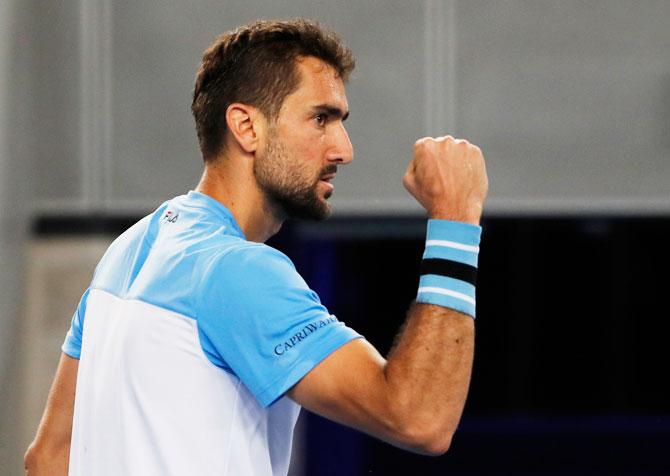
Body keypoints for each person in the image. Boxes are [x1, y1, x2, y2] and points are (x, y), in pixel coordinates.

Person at [24, 18, 488, 476]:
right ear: (246, 127)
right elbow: (419, 419)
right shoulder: (237, 270)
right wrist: (456, 217)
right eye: (320, 118)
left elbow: (48, 458)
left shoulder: (129, 249)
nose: (343, 149)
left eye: (340, 122)